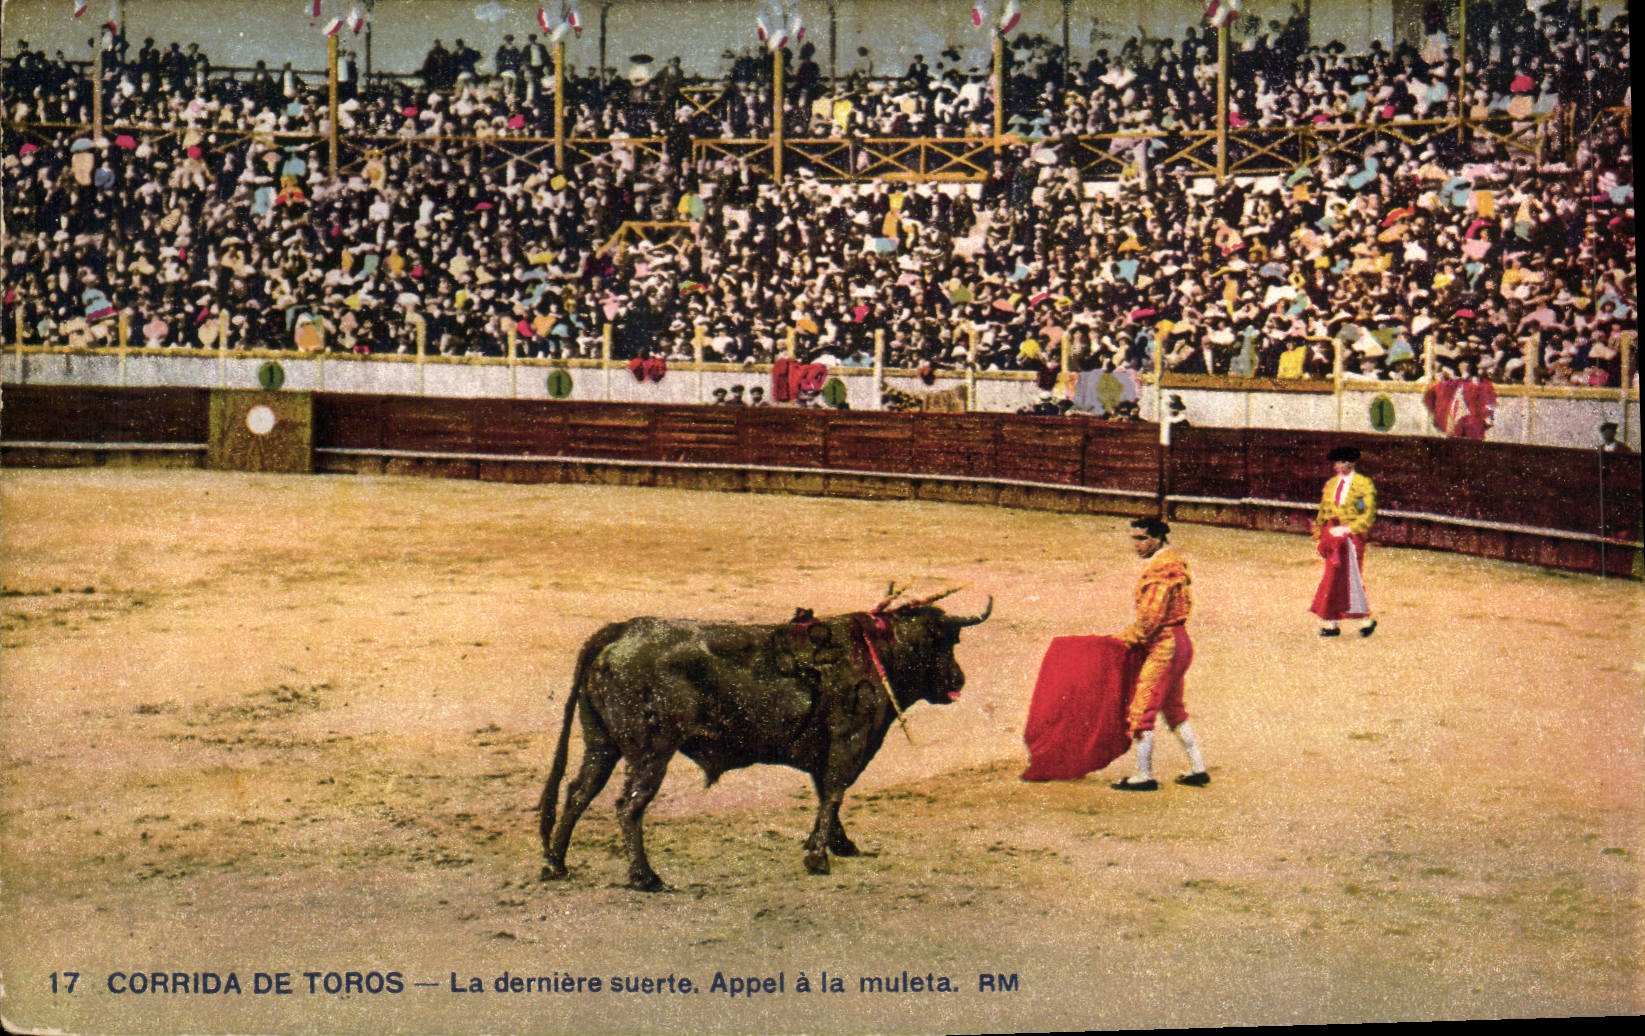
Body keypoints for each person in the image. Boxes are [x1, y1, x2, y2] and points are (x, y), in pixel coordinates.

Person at [1110, 518, 1210, 791]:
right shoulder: (1173, 563)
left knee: (1142, 708)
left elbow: (1149, 620)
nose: (1136, 545)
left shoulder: (1160, 571)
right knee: (1174, 709)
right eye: (1134, 538)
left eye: (1141, 538)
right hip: (1180, 642)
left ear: (1157, 539)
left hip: (1165, 645)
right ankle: (1198, 768)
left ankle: (1144, 775)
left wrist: (1125, 640)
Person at [1311, 445, 1377, 637]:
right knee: (1333, 578)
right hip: (1333, 535)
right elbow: (1323, 511)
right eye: (1336, 463)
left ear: (1351, 463)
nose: (1337, 466)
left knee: (1351, 578)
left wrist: (1348, 529)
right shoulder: (1331, 485)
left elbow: (1368, 514)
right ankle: (1338, 623)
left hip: (1351, 537)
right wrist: (1321, 535)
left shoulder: (1363, 484)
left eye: (1341, 462)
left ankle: (1353, 621)